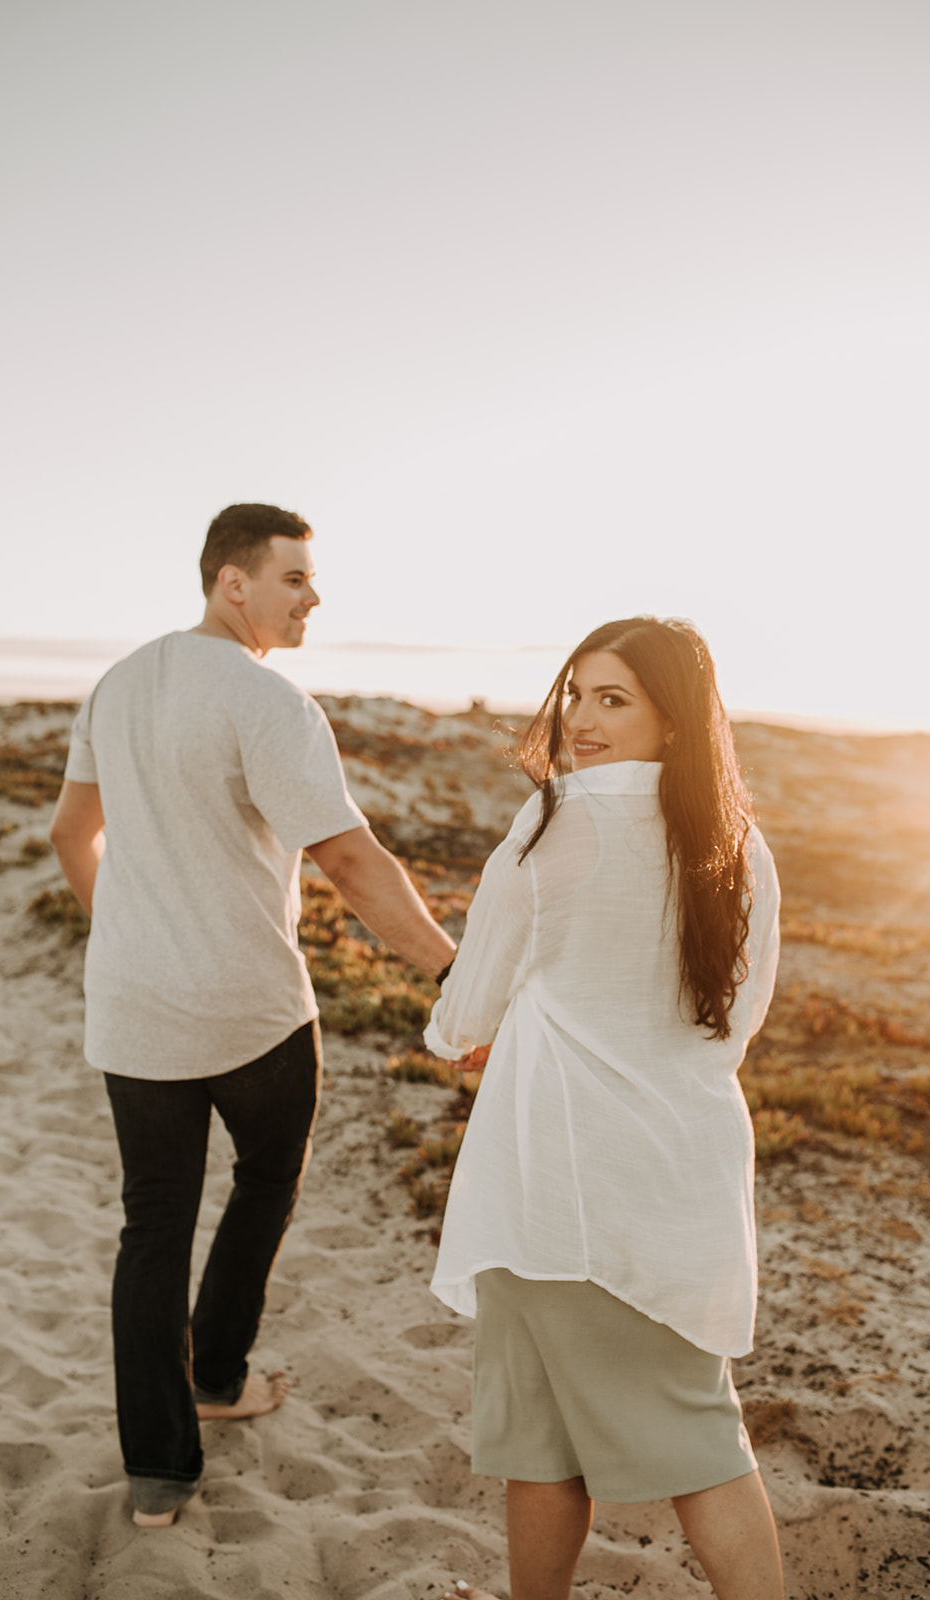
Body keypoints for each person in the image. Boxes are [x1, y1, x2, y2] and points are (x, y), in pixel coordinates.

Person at [49, 502, 456, 1527]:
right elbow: (351, 861)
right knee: (265, 1182)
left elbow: (68, 833)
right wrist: (453, 971)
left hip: (136, 1008)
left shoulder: (118, 681)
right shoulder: (266, 700)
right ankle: (219, 1375)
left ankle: (157, 1475)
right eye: (294, 578)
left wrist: (125, 929)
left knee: (152, 1227)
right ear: (233, 581)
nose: (312, 596)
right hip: (253, 1014)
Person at [424, 617, 784, 1600]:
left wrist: (496, 1020)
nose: (579, 718)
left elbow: (461, 1019)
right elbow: (734, 1020)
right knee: (555, 1434)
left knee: (690, 1441)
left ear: (672, 718)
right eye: (575, 693)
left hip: (550, 1177)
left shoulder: (551, 822)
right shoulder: (739, 845)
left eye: (610, 698)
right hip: (679, 1169)